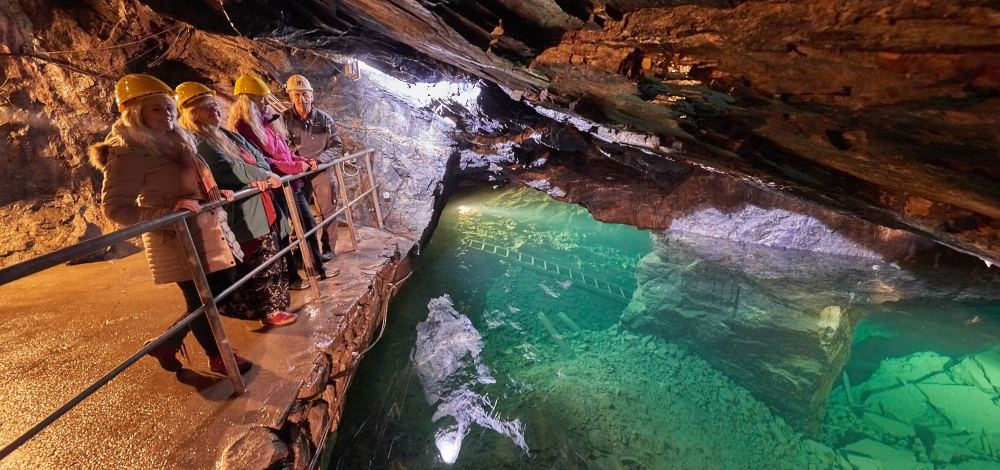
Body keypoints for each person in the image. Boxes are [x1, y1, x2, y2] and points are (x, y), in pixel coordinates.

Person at [88, 74, 252, 374]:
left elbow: (193, 178)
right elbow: (115, 208)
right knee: (201, 297)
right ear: (135, 111)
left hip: (205, 227)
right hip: (175, 237)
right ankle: (218, 357)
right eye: (155, 109)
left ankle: (167, 342)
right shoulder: (128, 151)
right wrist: (167, 214)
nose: (166, 114)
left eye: (168, 108)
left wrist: (214, 191)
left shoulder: (179, 138)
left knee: (221, 288)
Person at [175, 81, 297, 326]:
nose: (214, 110)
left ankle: (272, 308)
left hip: (260, 202)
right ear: (191, 113)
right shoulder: (198, 141)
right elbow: (226, 168)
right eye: (206, 107)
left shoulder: (226, 134)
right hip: (241, 208)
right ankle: (266, 311)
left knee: (269, 255)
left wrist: (262, 173)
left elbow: (259, 158)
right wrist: (261, 176)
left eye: (215, 105)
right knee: (256, 260)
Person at [227, 75, 339, 290]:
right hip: (278, 186)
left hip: (295, 181)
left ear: (312, 95)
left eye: (304, 93)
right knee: (285, 232)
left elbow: (286, 153)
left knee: (309, 222)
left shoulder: (271, 121)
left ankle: (317, 268)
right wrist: (294, 167)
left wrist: (306, 161)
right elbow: (260, 159)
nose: (267, 102)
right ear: (248, 101)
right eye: (262, 99)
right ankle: (293, 277)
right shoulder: (246, 127)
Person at [281, 75, 343, 261]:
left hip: (321, 170)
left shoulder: (324, 119)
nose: (302, 99)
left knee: (328, 211)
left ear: (312, 95)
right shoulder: (283, 120)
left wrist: (319, 161)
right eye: (297, 94)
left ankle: (327, 248)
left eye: (305, 94)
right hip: (297, 173)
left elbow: (336, 146)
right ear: (291, 97)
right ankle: (301, 250)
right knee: (298, 214)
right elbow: (282, 146)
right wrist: (299, 162)